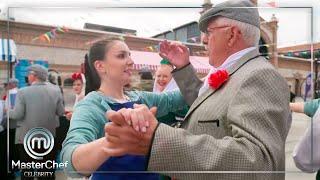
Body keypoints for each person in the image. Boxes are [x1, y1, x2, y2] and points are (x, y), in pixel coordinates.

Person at [104, 0, 291, 179]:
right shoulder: (239, 72)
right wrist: (184, 68)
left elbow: (258, 163)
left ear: (232, 35)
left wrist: (157, 139)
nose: (203, 39)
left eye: (209, 32)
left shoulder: (259, 76)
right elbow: (206, 108)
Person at [61, 38, 188, 179]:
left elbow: (188, 95)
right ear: (100, 66)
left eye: (129, 55)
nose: (131, 61)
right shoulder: (91, 105)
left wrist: (184, 66)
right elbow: (69, 162)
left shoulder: (141, 99)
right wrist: (114, 139)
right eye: (121, 56)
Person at [9, 64, 65, 180]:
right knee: (46, 171)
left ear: (34, 75)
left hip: (27, 138)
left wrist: (7, 111)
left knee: (27, 171)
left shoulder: (23, 92)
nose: (27, 77)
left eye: (28, 74)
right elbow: (60, 112)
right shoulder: (56, 91)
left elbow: (17, 114)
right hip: (48, 138)